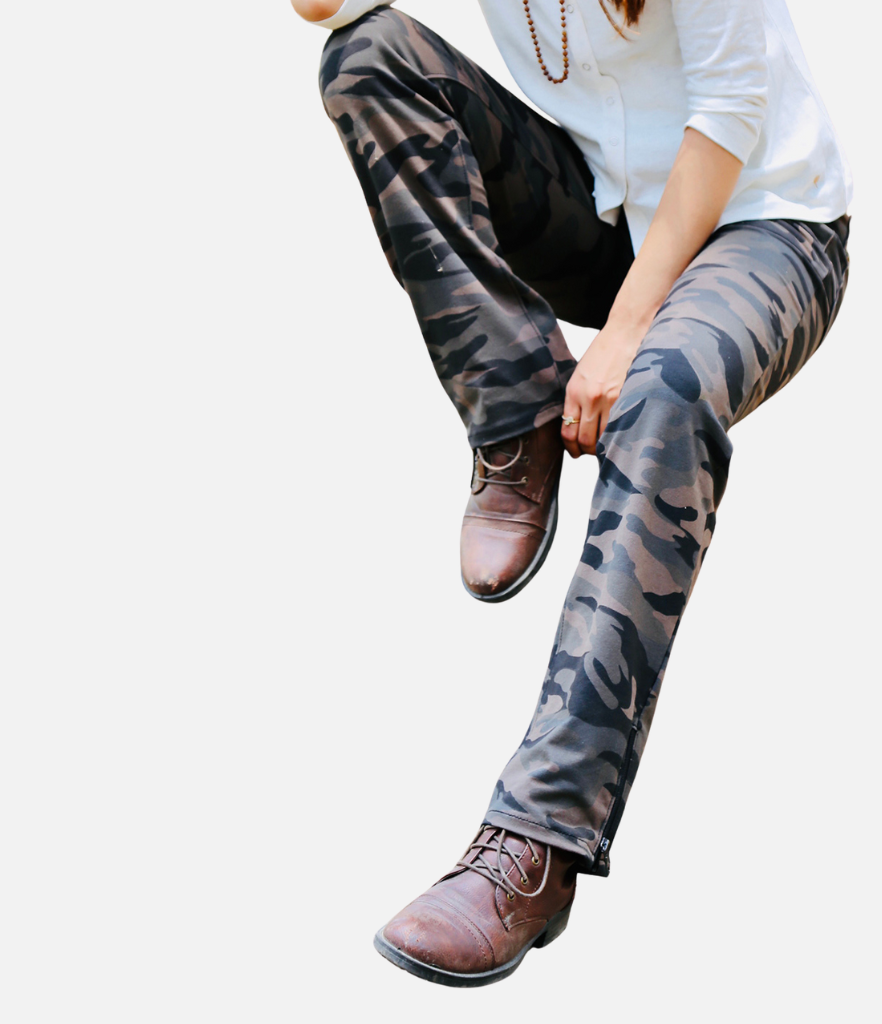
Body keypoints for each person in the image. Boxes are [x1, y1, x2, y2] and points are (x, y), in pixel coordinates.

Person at [293, 0, 853, 987]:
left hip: (766, 223)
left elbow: (730, 108)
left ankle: (537, 839)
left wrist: (626, 334)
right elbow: (324, 9)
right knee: (367, 57)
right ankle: (514, 412)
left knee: (662, 390)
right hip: (611, 213)